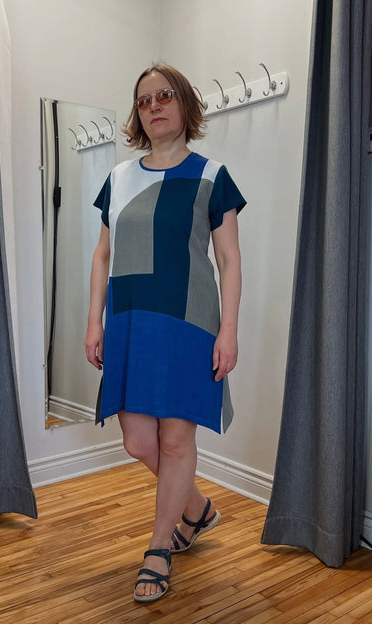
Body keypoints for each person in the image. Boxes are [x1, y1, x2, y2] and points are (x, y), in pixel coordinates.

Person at [85, 62, 246, 603]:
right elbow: (102, 255)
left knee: (176, 440)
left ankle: (159, 548)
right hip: (129, 321)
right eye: (144, 100)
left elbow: (229, 260)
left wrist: (228, 331)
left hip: (189, 322)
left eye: (165, 96)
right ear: (138, 114)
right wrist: (93, 321)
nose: (154, 106)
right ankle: (196, 509)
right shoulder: (118, 179)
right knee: (138, 441)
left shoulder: (212, 176)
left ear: (184, 105)